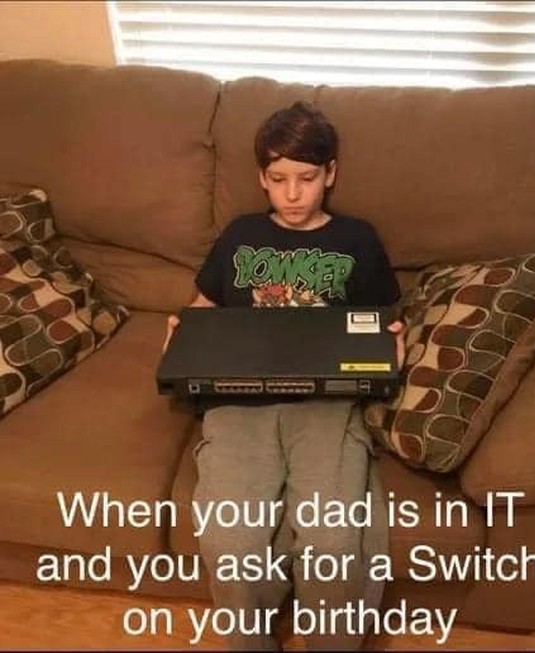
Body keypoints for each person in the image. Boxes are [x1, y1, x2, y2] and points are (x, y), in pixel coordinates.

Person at [163, 101, 404, 651]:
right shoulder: (240, 235)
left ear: (330, 174)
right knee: (231, 543)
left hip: (326, 404)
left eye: (307, 178)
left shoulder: (358, 239)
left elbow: (384, 319)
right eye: (278, 179)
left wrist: (395, 343)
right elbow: (203, 307)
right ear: (261, 178)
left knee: (333, 543)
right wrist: (182, 335)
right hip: (239, 402)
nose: (293, 194)